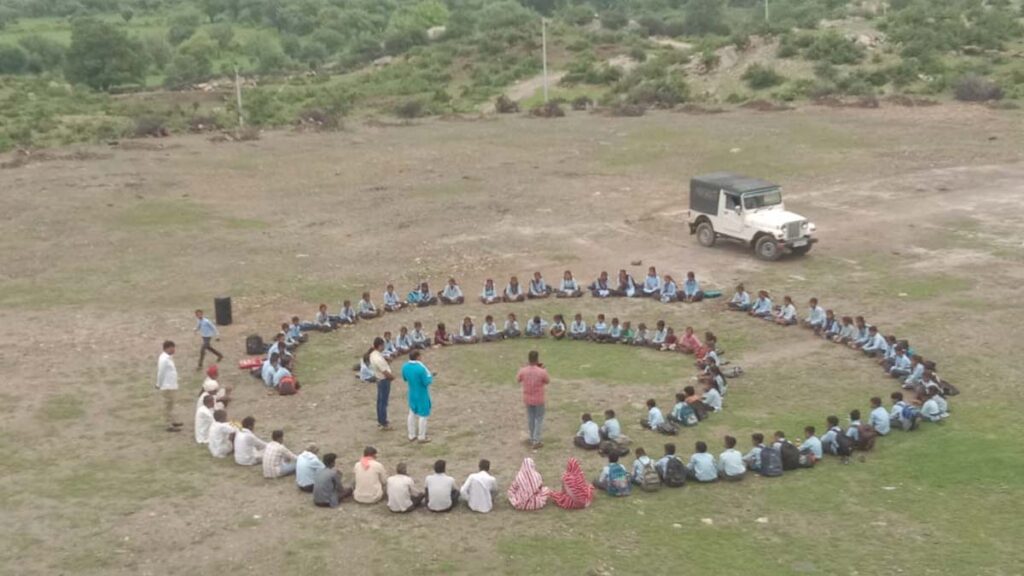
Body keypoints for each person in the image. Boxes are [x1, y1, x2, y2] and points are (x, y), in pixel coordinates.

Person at [518, 351, 549, 448]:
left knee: (531, 418)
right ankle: (536, 440)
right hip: (538, 398)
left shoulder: (523, 370)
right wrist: (543, 369)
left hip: (528, 397)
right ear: (537, 359)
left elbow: (518, 379)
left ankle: (532, 437)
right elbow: (547, 381)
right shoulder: (541, 371)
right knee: (539, 419)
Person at [401, 349, 434, 443]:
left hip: (412, 392)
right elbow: (427, 382)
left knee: (411, 412)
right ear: (417, 357)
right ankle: (422, 436)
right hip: (421, 393)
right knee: (423, 415)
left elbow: (405, 378)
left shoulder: (405, 366)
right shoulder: (420, 368)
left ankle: (411, 435)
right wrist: (431, 376)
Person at [369, 337, 394, 430]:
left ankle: (380, 420)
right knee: (383, 402)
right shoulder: (377, 358)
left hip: (379, 379)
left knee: (380, 401)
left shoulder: (373, 355)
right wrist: (392, 377)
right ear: (380, 346)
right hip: (383, 380)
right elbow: (385, 372)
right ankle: (384, 422)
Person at [156, 340, 181, 433]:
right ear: (167, 348)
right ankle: (168, 425)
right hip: (167, 386)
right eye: (172, 347)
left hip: (171, 385)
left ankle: (172, 421)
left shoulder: (168, 358)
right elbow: (161, 372)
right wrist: (159, 384)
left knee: (171, 405)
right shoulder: (164, 359)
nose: (174, 349)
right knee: (168, 406)